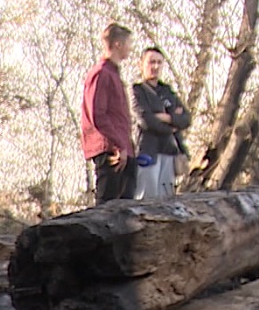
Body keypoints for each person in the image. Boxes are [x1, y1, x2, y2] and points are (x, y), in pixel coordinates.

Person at [81, 23, 137, 204]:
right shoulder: (101, 73)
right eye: (129, 43)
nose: (131, 47)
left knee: (125, 209)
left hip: (123, 150)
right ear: (118, 44)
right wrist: (118, 145)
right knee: (106, 211)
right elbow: (98, 114)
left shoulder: (114, 74)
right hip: (110, 150)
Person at [131, 47, 191, 199]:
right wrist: (172, 123)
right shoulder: (137, 91)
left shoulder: (167, 91)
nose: (155, 67)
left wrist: (166, 118)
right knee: (146, 200)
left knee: (166, 200)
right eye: (151, 62)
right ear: (141, 64)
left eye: (159, 62)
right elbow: (146, 120)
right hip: (147, 152)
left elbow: (186, 118)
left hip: (169, 152)